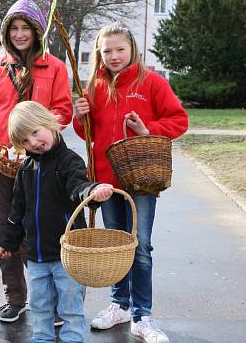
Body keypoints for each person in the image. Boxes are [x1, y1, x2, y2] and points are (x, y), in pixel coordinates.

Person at [73, 22, 188, 343]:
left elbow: (179, 120)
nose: (113, 56)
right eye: (106, 50)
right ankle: (119, 305)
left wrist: (146, 129)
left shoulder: (150, 82)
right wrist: (78, 116)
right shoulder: (94, 86)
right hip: (106, 181)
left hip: (141, 180)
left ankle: (143, 316)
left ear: (132, 49)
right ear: (99, 53)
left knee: (141, 247)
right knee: (116, 245)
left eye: (119, 49)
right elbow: (87, 134)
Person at [0, 0, 73, 323]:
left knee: (41, 228)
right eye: (14, 28)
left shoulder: (53, 67)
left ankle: (48, 301)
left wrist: (40, 134)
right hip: (0, 163)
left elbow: (63, 110)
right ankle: (14, 296)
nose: (20, 34)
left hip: (40, 162)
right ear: (6, 32)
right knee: (7, 230)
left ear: (37, 31)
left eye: (26, 28)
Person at [0, 101, 114, 343]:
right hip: (36, 257)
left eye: (35, 132)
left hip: (66, 256)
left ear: (49, 123)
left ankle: (73, 339)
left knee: (70, 308)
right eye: (25, 141)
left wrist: (92, 192)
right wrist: (8, 242)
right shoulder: (25, 168)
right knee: (39, 307)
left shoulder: (68, 161)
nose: (34, 143)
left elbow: (78, 187)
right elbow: (17, 210)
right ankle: (42, 339)